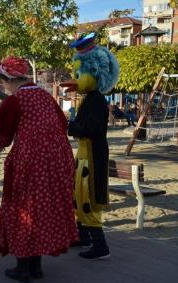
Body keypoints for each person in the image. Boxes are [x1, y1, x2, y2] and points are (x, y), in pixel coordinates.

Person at [0, 56, 78, 283]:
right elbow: (63, 125)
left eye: (3, 81)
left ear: (8, 79)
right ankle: (36, 266)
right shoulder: (46, 97)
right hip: (57, 161)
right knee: (44, 209)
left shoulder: (15, 101)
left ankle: (23, 268)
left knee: (24, 210)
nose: (3, 86)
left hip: (31, 163)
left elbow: (2, 137)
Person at [61, 32, 119, 260]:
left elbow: (92, 130)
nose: (76, 78)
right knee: (79, 193)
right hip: (86, 153)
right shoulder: (90, 98)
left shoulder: (96, 100)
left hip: (93, 155)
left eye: (80, 73)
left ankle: (100, 245)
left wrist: (69, 126)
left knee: (89, 197)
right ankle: (83, 236)